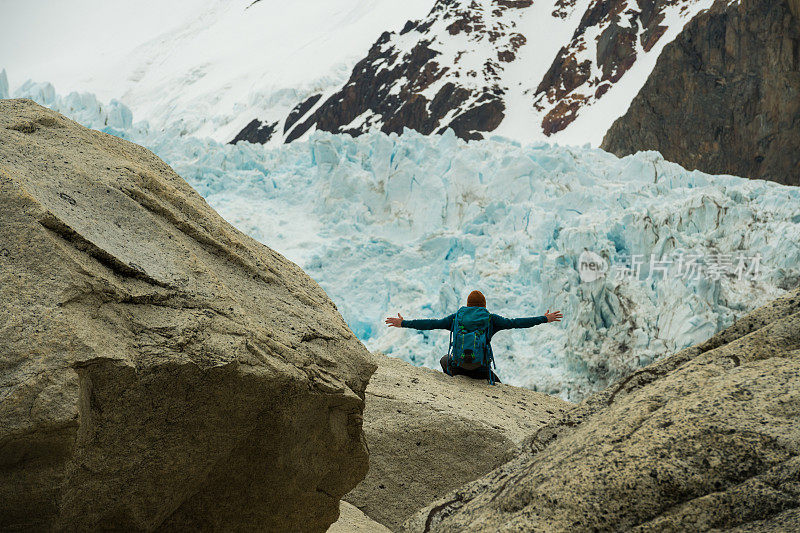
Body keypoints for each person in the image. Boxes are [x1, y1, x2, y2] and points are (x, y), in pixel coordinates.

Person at [385, 290, 563, 383]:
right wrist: (544, 319)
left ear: (468, 304)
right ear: (483, 306)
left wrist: (404, 323)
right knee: (499, 386)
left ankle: (455, 381)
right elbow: (516, 322)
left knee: (444, 359)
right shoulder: (491, 319)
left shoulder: (456, 318)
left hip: (458, 367)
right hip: (480, 371)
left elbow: (431, 324)